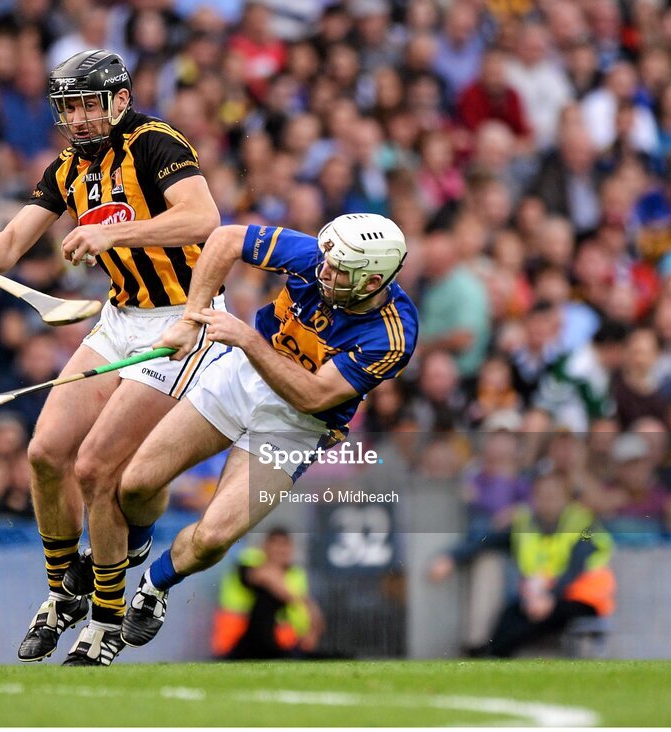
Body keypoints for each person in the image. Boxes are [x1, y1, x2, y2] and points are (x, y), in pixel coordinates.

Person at [0, 49, 224, 666]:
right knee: (46, 453)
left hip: (180, 322)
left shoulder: (156, 143)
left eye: (87, 105)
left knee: (98, 468)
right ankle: (60, 594)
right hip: (118, 320)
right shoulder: (69, 167)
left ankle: (103, 623)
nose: (76, 118)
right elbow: (16, 237)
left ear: (119, 100)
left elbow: (205, 219)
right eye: (67, 107)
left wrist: (110, 233)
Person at [111, 213, 418, 659]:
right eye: (327, 261)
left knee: (214, 537)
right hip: (239, 378)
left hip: (296, 424)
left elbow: (312, 396)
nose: (324, 271)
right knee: (135, 485)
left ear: (371, 281)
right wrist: (193, 318)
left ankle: (153, 586)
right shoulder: (321, 256)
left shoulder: (392, 335)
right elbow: (224, 239)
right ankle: (137, 548)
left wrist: (249, 341)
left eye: (339, 271)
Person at [430, 472, 616, 658]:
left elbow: (576, 568)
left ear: (566, 498)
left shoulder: (584, 524)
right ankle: (491, 660)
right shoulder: (525, 524)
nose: (548, 500)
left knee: (524, 622)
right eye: (542, 495)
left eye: (554, 494)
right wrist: (451, 558)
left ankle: (495, 659)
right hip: (541, 598)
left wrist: (548, 597)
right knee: (509, 617)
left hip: (581, 600)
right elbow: (486, 541)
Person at [211, 528, 324, 660]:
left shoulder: (296, 573)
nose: (279, 550)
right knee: (267, 597)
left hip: (281, 640)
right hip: (235, 637)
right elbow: (265, 577)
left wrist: (312, 629)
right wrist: (303, 603)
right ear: (265, 546)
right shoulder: (250, 559)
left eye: (284, 545)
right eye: (275, 544)